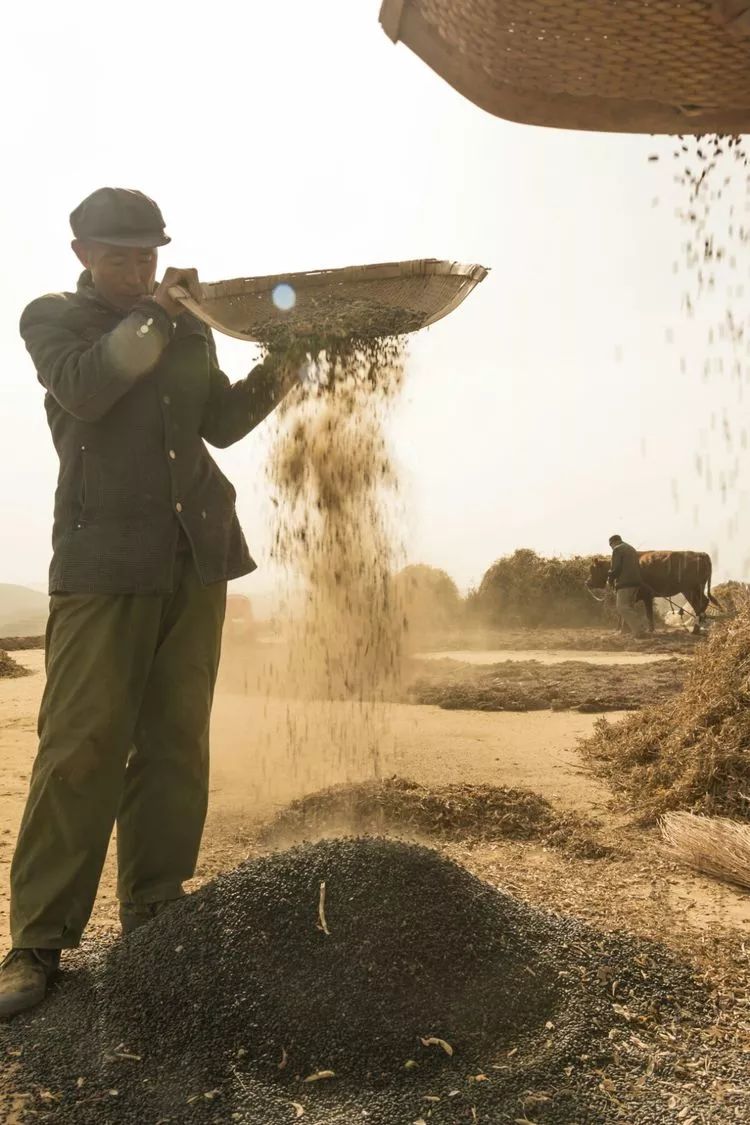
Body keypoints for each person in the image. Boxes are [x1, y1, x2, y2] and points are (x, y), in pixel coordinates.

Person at [0, 188, 308, 1017]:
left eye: (148, 254)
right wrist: (165, 316)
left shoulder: (188, 325)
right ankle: (36, 942)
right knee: (81, 745)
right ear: (82, 255)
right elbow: (91, 389)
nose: (138, 269)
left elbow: (223, 421)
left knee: (175, 740)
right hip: (105, 562)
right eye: (120, 255)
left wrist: (290, 358)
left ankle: (157, 911)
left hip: (196, 556)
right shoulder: (53, 321)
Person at [607, 534, 645, 637]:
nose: (611, 548)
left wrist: (610, 578)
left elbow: (616, 568)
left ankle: (639, 630)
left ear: (613, 543)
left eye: (611, 546)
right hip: (636, 582)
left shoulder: (617, 549)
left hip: (625, 583)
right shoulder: (631, 548)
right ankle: (626, 631)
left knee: (622, 607)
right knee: (629, 607)